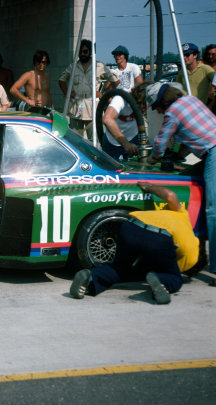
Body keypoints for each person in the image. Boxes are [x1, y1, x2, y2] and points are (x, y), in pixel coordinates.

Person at [133, 81, 216, 277]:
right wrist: (178, 156)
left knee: (213, 211)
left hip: (214, 152)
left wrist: (153, 158)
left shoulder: (173, 112)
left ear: (163, 101)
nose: (160, 112)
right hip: (210, 150)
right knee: (193, 186)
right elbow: (192, 135)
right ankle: (197, 244)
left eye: (159, 108)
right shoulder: (190, 100)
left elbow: (161, 141)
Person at [70, 182, 199, 305]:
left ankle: (91, 277)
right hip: (158, 237)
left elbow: (170, 196)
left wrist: (148, 187)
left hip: (130, 226)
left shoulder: (183, 215)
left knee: (120, 268)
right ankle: (162, 283)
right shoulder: (193, 255)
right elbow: (168, 267)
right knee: (174, 277)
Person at [58, 39, 119, 139]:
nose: (82, 54)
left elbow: (115, 81)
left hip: (93, 111)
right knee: (75, 140)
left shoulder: (99, 66)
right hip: (75, 110)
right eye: (80, 52)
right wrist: (67, 93)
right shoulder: (72, 67)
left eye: (85, 51)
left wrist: (103, 94)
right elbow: (61, 80)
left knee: (94, 141)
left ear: (90, 52)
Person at [101, 91, 139, 160]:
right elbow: (107, 119)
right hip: (112, 143)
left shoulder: (146, 100)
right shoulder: (120, 99)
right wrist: (126, 144)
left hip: (134, 140)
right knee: (110, 170)